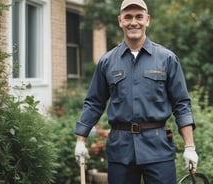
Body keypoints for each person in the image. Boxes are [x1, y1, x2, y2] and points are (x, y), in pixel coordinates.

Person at [74, 0, 198, 183]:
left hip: (158, 148)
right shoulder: (107, 62)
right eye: (128, 17)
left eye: (139, 16)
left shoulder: (167, 59)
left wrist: (190, 147)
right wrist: (80, 141)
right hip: (120, 149)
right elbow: (94, 102)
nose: (134, 22)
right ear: (120, 21)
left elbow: (181, 104)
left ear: (147, 20)